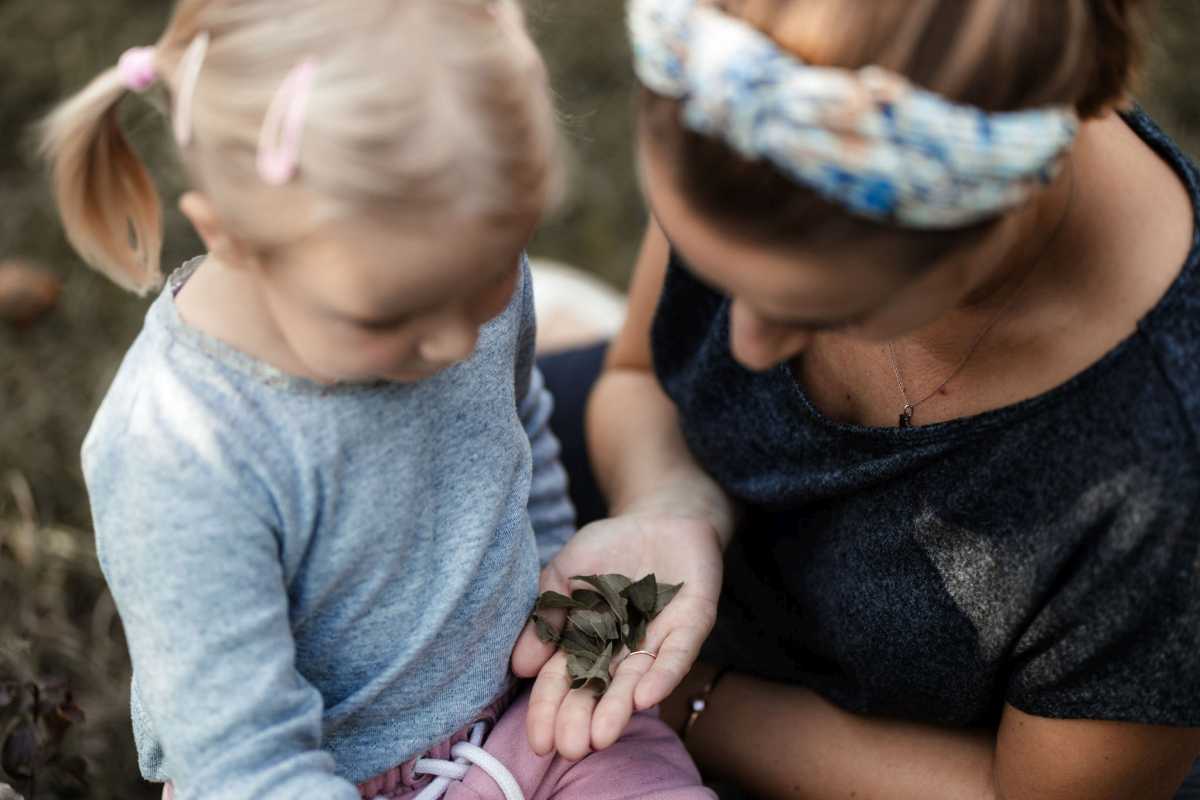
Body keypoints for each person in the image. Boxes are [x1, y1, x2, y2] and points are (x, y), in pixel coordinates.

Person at [516, 0, 1200, 797]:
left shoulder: (1166, 467)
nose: (740, 350)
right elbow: (638, 375)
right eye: (717, 274)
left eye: (816, 311)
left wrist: (687, 706)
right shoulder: (763, 100)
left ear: (982, 234)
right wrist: (674, 499)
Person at [39, 1, 714, 798]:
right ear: (229, 236)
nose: (458, 344)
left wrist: (564, 606)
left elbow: (513, 430)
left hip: (533, 721)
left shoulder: (451, 280)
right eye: (392, 318)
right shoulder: (181, 454)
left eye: (489, 281)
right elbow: (245, 762)